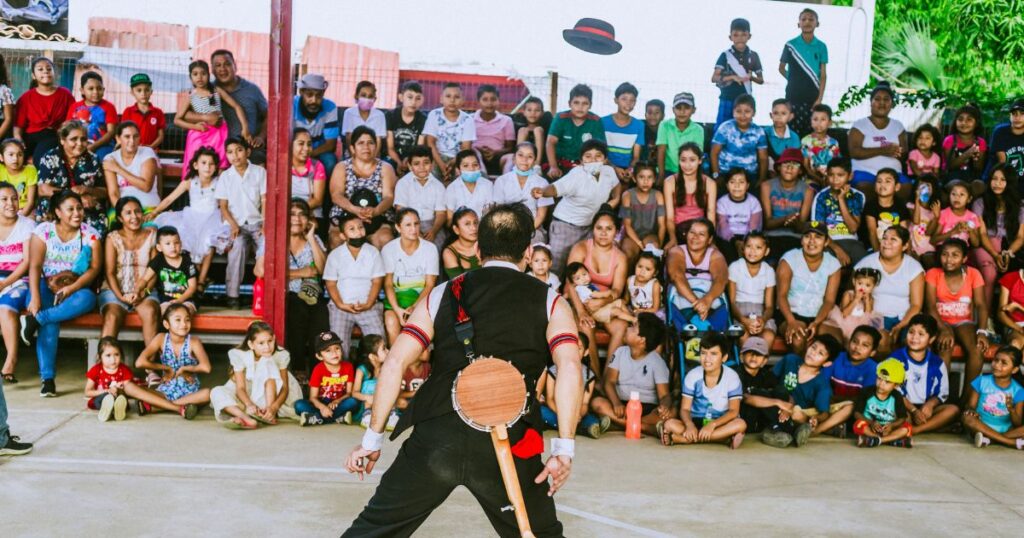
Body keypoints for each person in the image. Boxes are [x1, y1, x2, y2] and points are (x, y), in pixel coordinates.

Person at [343, 203, 584, 537]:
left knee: (373, 531)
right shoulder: (551, 301)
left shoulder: (442, 293)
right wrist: (564, 449)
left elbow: (396, 362)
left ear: (479, 249)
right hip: (510, 442)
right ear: (528, 252)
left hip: (437, 439)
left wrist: (372, 439)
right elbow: (570, 366)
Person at [22, 190, 102, 397]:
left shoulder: (91, 234)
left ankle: (35, 321)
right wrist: (36, 297)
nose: (77, 213)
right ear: (58, 212)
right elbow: (35, 265)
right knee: (51, 321)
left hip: (74, 287)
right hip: (44, 285)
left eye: (79, 208)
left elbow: (94, 269)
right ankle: (47, 379)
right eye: (70, 209)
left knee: (88, 298)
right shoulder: (44, 231)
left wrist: (72, 288)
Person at [533, 139, 621, 275]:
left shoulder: (609, 171)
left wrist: (614, 200)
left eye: (598, 156)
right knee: (557, 267)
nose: (593, 160)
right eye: (588, 156)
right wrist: (542, 192)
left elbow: (616, 186)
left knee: (580, 269)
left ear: (605, 159)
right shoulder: (576, 175)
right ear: (581, 161)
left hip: (590, 227)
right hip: (565, 226)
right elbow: (555, 188)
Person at [150, 147, 231, 290]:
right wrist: (155, 211)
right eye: (204, 163)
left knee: (209, 243)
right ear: (195, 165)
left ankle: (200, 281)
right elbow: (170, 199)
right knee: (186, 240)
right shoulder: (189, 182)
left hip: (212, 218)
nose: (207, 167)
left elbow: (226, 204)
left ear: (216, 167)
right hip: (191, 217)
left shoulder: (219, 182)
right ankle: (193, 279)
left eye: (212, 164)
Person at [659, 331, 747, 448]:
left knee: (740, 424)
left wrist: (713, 425)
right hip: (696, 421)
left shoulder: (732, 377)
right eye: (703, 353)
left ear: (724, 358)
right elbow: (685, 409)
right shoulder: (692, 375)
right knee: (670, 424)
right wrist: (690, 425)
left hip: (720, 422)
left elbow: (733, 411)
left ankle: (682, 439)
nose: (707, 359)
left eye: (713, 354)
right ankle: (722, 439)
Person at [565, 211, 630, 367]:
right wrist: (581, 312)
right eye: (599, 228)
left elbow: (617, 290)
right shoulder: (581, 248)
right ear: (592, 229)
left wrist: (602, 301)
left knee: (621, 327)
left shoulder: (620, 257)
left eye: (609, 228)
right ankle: (596, 377)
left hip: (605, 305)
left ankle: (609, 376)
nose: (603, 233)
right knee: (586, 326)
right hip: (580, 303)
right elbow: (569, 284)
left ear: (616, 231)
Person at [925, 239, 990, 392]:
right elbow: (930, 306)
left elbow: (981, 305)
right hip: (939, 321)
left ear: (964, 258)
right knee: (945, 345)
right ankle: (941, 397)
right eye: (945, 255)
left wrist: (982, 331)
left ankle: (967, 401)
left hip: (963, 322)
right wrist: (943, 328)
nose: (949, 260)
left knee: (976, 349)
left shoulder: (974, 274)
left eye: (955, 255)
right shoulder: (933, 274)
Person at [210, 321, 301, 429]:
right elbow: (240, 388)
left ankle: (268, 415)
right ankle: (246, 418)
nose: (267, 347)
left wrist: (273, 408)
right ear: (251, 344)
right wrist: (249, 404)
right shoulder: (240, 355)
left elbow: (285, 388)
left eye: (270, 341)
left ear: (274, 338)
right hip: (247, 395)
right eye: (261, 343)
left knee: (267, 361)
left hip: (273, 396)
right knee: (216, 391)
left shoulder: (281, 354)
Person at [591, 313, 669, 431]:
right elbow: (609, 382)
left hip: (646, 408)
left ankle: (622, 424)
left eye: (633, 327)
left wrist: (665, 406)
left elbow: (664, 395)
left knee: (668, 414)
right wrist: (616, 403)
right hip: (622, 405)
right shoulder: (620, 352)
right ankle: (645, 428)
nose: (627, 328)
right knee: (598, 403)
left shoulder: (657, 362)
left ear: (642, 340)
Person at [131, 303, 211, 419]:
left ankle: (157, 406)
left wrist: (185, 369)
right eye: (178, 320)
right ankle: (181, 407)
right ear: (166, 324)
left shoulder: (194, 341)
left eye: (187, 320)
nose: (183, 324)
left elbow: (206, 367)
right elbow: (140, 362)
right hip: (165, 390)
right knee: (130, 387)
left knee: (209, 393)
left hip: (189, 392)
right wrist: (166, 368)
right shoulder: (161, 339)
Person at [761, 334, 841, 448]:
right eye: (813, 347)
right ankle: (779, 432)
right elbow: (769, 380)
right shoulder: (790, 360)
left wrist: (815, 419)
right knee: (777, 392)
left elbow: (824, 413)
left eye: (820, 353)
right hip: (774, 405)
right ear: (808, 345)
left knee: (798, 415)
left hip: (792, 416)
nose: (813, 353)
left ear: (827, 363)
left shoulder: (822, 385)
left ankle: (784, 432)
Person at [855, 226, 926, 353]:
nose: (887, 243)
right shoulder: (866, 264)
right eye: (884, 238)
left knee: (913, 342)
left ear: (904, 246)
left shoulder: (913, 268)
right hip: (875, 317)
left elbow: (916, 305)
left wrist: (900, 325)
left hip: (905, 317)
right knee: (881, 340)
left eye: (893, 239)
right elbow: (854, 295)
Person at [99, 197, 159, 345]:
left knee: (151, 312)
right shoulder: (112, 238)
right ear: (120, 218)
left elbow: (154, 271)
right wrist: (120, 296)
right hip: (114, 290)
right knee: (112, 316)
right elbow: (110, 272)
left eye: (138, 211)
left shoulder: (151, 235)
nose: (134, 216)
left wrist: (143, 293)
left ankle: (151, 364)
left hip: (146, 290)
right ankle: (104, 364)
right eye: (128, 213)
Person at [174, 59, 251, 175]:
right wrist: (195, 126)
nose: (199, 77)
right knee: (197, 163)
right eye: (195, 74)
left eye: (203, 73)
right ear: (190, 77)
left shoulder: (216, 91)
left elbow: (236, 106)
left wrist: (245, 128)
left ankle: (219, 189)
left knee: (220, 164)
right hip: (199, 134)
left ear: (209, 75)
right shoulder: (190, 96)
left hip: (218, 134)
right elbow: (177, 120)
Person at [324, 212, 385, 357]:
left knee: (378, 341)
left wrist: (369, 303)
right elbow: (331, 284)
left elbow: (377, 281)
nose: (358, 232)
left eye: (360, 227)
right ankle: (344, 375)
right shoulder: (336, 255)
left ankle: (377, 374)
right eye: (352, 229)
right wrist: (340, 304)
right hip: (341, 307)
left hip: (367, 305)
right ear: (343, 236)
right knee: (338, 345)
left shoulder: (373, 253)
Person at [776, 222, 842, 355]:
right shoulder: (789, 259)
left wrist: (817, 323)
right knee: (798, 339)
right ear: (801, 240)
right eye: (807, 236)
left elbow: (829, 300)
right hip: (790, 313)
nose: (812, 241)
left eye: (818, 237)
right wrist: (791, 321)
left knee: (836, 339)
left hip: (818, 316)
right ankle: (798, 373)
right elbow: (781, 296)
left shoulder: (833, 264)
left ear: (826, 241)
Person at [280, 199, 329, 375]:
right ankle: (299, 369)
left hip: (313, 294)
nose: (297, 219)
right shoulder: (276, 238)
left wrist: (311, 239)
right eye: (292, 214)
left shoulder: (313, 239)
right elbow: (261, 270)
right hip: (288, 294)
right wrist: (302, 272)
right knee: (297, 312)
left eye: (302, 215)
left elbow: (323, 269)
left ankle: (318, 371)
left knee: (321, 316)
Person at [216, 137, 266, 309]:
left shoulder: (259, 172)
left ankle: (263, 296)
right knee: (236, 248)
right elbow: (223, 206)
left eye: (239, 150)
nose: (235, 155)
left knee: (266, 249)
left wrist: (265, 224)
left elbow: (265, 200)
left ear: (248, 152)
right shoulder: (225, 176)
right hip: (237, 226)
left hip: (258, 224)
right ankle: (232, 296)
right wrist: (233, 225)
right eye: (230, 152)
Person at [193, 50, 268, 164]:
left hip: (247, 151)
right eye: (218, 65)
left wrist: (261, 136)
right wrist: (205, 117)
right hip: (216, 150)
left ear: (235, 66)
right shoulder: (206, 91)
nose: (223, 68)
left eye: (227, 64)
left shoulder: (252, 89)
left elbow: (269, 115)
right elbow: (186, 115)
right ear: (212, 70)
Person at [891, 314, 960, 434]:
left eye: (921, 334)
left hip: (925, 410)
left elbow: (942, 393)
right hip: (905, 407)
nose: (914, 338)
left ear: (931, 339)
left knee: (953, 410)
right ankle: (933, 427)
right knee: (899, 416)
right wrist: (913, 410)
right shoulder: (896, 359)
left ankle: (916, 430)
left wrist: (930, 404)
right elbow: (893, 391)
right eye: (911, 332)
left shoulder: (937, 363)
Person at [329, 126, 396, 249]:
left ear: (376, 147)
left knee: (385, 239)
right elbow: (336, 195)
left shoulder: (386, 167)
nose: (366, 147)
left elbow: (389, 197)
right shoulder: (342, 167)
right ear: (352, 148)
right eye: (361, 143)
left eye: (370, 143)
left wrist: (375, 211)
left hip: (378, 216)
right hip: (346, 215)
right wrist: (355, 210)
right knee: (337, 239)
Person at [36, 120, 108, 235]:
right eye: (74, 139)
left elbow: (104, 191)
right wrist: (76, 198)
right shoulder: (50, 157)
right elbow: (43, 189)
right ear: (62, 140)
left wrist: (87, 190)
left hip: (86, 211)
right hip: (57, 209)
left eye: (83, 139)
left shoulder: (93, 160)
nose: (80, 143)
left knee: (95, 230)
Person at [381, 208, 439, 344]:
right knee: (391, 322)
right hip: (396, 300)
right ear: (397, 227)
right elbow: (388, 284)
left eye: (416, 224)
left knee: (422, 355)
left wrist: (414, 307)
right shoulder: (389, 249)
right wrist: (397, 309)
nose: (413, 229)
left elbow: (430, 284)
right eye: (408, 225)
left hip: (421, 300)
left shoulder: (430, 249)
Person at [667, 218, 731, 334]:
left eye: (701, 234)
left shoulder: (715, 255)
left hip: (710, 297)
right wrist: (698, 303)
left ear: (709, 239)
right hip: (683, 297)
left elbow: (721, 279)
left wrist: (707, 300)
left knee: (718, 318)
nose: (695, 237)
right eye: (692, 232)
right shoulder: (677, 251)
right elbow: (676, 276)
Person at [971, 164, 1023, 306]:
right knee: (990, 274)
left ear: (1010, 183)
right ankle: (986, 319)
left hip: (1009, 246)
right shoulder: (980, 203)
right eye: (994, 179)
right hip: (985, 246)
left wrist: (1007, 254)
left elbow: (1020, 237)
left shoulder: (1019, 206)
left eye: (1002, 180)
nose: (997, 183)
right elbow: (982, 234)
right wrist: (995, 255)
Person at [539, 335, 607, 439]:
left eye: (579, 348)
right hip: (556, 410)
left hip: (577, 412)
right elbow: (550, 399)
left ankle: (589, 423)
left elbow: (584, 403)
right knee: (542, 412)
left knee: (587, 417)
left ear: (586, 352)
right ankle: (584, 428)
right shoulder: (553, 371)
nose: (574, 352)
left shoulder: (589, 375)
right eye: (571, 348)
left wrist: (578, 415)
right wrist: (565, 415)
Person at [0, 182, 35, 383]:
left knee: (5, 307)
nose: (11, 204)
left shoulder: (27, 225)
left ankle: (11, 360)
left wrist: (4, 284)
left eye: (14, 198)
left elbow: (27, 261)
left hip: (19, 279)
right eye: (4, 199)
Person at [848, 82, 909, 192]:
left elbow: (904, 154)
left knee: (906, 187)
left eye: (886, 99)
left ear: (891, 104)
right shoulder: (859, 125)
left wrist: (897, 152)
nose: (882, 103)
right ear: (871, 103)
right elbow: (854, 152)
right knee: (864, 187)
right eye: (877, 99)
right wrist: (882, 150)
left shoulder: (898, 126)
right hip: (865, 172)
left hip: (893, 173)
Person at [14, 57, 75, 164]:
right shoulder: (26, 98)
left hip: (54, 135)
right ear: (33, 75)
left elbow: (71, 122)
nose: (45, 71)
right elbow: (18, 126)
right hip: (30, 136)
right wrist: (18, 141)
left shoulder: (65, 95)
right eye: (40, 69)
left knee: (41, 157)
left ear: (54, 72)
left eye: (48, 68)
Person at [962, 345, 1024, 449]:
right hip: (981, 427)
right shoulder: (981, 381)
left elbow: (1017, 423)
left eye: (1003, 363)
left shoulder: (1019, 390)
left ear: (1014, 369)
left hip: (1007, 430)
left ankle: (990, 440)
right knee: (967, 418)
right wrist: (971, 410)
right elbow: (970, 405)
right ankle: (1011, 443)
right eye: (996, 360)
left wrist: (1011, 410)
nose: (997, 365)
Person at [779, 8, 828, 137]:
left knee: (811, 132)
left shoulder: (821, 46)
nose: (807, 22)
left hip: (813, 97)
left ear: (817, 24)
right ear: (798, 23)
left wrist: (819, 98)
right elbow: (781, 68)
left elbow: (823, 75)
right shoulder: (790, 45)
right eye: (804, 19)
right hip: (792, 95)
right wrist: (794, 79)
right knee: (791, 130)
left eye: (811, 19)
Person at [493, 142, 553, 244]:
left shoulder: (542, 183)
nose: (524, 160)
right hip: (506, 227)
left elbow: (540, 216)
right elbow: (499, 211)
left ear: (534, 161)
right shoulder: (502, 181)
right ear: (513, 158)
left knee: (536, 240)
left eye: (530, 156)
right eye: (520, 155)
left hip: (533, 229)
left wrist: (525, 232)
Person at [295, 331, 360, 426]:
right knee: (299, 405)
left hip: (338, 403)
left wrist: (337, 401)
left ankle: (317, 418)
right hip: (321, 403)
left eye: (337, 348)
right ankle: (338, 417)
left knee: (353, 402)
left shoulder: (348, 367)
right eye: (328, 351)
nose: (334, 353)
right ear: (319, 356)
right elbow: (313, 397)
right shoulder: (318, 369)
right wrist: (322, 408)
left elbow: (349, 393)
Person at [811, 157, 866, 265]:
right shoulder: (821, 197)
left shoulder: (857, 196)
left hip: (852, 242)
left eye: (840, 175)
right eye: (831, 175)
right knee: (825, 263)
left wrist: (841, 199)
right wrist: (837, 249)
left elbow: (853, 228)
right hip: (828, 242)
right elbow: (819, 229)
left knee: (864, 265)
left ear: (850, 176)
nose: (835, 179)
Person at [545, 84, 605, 179]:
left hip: (585, 166)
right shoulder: (560, 118)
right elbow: (550, 142)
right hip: (560, 164)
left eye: (585, 103)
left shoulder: (596, 121)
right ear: (569, 103)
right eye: (576, 103)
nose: (580, 107)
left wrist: (588, 165)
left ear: (590, 105)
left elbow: (600, 148)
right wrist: (553, 166)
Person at [727, 231, 776, 350]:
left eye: (758, 247)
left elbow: (769, 306)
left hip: (761, 312)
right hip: (739, 311)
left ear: (766, 251)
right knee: (744, 336)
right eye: (749, 246)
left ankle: (760, 366)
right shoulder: (735, 267)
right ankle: (745, 366)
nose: (753, 251)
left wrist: (763, 320)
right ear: (743, 248)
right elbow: (731, 302)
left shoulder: (769, 271)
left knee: (768, 336)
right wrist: (744, 321)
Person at [711, 18, 763, 128]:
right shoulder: (725, 55)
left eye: (743, 34)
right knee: (722, 129)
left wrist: (750, 77)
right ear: (730, 37)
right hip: (727, 99)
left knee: (744, 130)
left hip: (745, 101)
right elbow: (714, 77)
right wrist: (733, 77)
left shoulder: (753, 55)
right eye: (736, 35)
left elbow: (761, 80)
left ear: (749, 36)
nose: (740, 38)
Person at [761, 147, 812, 257]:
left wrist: (794, 222)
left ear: (801, 170)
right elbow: (767, 223)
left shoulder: (807, 190)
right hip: (771, 236)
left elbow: (801, 227)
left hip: (795, 238)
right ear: (779, 167)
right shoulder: (767, 186)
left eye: (795, 164)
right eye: (785, 163)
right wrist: (786, 218)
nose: (789, 167)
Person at [393, 144, 447, 248]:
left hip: (431, 224)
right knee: (406, 246)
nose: (422, 167)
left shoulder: (438, 186)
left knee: (438, 246)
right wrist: (414, 229)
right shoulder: (403, 183)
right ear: (409, 166)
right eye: (416, 164)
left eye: (426, 163)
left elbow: (441, 214)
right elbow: (400, 211)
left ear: (432, 164)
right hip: (408, 223)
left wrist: (434, 231)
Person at [664, 143, 717, 247]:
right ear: (679, 161)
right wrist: (672, 238)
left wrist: (711, 240)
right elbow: (670, 217)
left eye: (692, 160)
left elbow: (711, 215)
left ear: (700, 161)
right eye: (683, 160)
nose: (687, 165)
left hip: (700, 231)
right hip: (679, 230)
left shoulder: (709, 183)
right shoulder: (670, 182)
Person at [103, 121, 161, 214]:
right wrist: (123, 213)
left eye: (136, 136)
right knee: (114, 227)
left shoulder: (147, 152)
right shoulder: (110, 158)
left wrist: (118, 169)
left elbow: (146, 187)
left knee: (149, 228)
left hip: (149, 207)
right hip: (123, 210)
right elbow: (113, 193)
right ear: (118, 139)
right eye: (127, 137)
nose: (132, 141)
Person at [853, 357, 913, 448]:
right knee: (858, 425)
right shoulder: (866, 392)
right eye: (879, 379)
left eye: (887, 382)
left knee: (907, 428)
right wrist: (871, 423)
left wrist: (892, 426)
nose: (881, 384)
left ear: (896, 385)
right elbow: (857, 413)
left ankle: (875, 440)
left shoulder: (897, 396)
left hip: (888, 429)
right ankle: (890, 441)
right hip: (870, 427)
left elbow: (902, 418)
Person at [735, 336, 789, 436]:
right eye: (750, 353)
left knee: (780, 391)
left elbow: (787, 395)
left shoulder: (766, 374)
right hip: (744, 419)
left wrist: (786, 409)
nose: (754, 357)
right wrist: (777, 402)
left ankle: (782, 427)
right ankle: (779, 429)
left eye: (759, 355)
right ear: (741, 357)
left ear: (764, 361)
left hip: (762, 419)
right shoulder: (736, 374)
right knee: (757, 393)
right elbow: (746, 398)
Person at [136, 226, 198, 313]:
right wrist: (136, 291)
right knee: (164, 312)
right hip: (165, 300)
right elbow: (145, 279)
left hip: (187, 299)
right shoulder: (158, 260)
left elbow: (192, 287)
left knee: (184, 312)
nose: (173, 247)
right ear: (159, 247)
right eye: (168, 244)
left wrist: (179, 301)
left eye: (176, 243)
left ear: (181, 244)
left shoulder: (187, 262)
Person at [710, 94, 768, 183]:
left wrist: (762, 179)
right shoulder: (725, 128)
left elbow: (763, 158)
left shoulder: (759, 132)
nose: (743, 115)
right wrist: (716, 175)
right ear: (733, 112)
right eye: (738, 111)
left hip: (750, 175)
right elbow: (714, 153)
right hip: (725, 174)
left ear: (754, 113)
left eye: (747, 111)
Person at [423, 83, 475, 180]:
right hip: (437, 156)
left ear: (463, 100)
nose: (452, 100)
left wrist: (453, 163)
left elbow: (466, 148)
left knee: (465, 176)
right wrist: (442, 166)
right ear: (441, 99)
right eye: (448, 96)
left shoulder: (468, 120)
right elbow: (430, 143)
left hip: (458, 157)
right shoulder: (434, 115)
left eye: (457, 97)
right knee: (431, 175)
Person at [293, 73, 339, 178]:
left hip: (320, 150)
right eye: (309, 95)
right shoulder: (291, 105)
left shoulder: (330, 107)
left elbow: (331, 145)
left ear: (323, 93)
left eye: (318, 96)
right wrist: (299, 154)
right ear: (301, 92)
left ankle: (325, 194)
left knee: (330, 161)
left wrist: (308, 154)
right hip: (295, 151)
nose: (314, 100)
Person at [822, 267, 885, 344]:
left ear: (873, 287)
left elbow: (868, 316)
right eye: (860, 283)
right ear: (854, 281)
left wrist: (867, 301)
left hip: (861, 326)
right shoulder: (848, 294)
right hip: (845, 323)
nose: (863, 287)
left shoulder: (871, 299)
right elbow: (844, 314)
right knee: (843, 340)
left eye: (867, 285)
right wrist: (856, 300)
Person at [66, 71, 118, 161]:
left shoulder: (109, 107)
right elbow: (67, 129)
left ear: (103, 89)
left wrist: (93, 146)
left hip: (102, 145)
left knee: (103, 160)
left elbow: (111, 132)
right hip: (78, 144)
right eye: (91, 88)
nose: (96, 92)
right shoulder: (75, 107)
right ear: (82, 90)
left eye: (99, 88)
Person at [619, 163, 665, 263]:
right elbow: (627, 225)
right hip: (631, 235)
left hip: (650, 234)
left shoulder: (658, 195)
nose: (645, 181)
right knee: (628, 253)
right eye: (641, 177)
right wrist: (639, 243)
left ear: (654, 179)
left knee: (652, 251)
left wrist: (659, 246)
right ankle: (628, 277)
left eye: (649, 177)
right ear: (634, 179)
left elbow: (662, 225)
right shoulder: (627, 195)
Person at [83, 337, 136, 422]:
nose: (113, 359)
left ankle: (117, 409)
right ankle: (108, 409)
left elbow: (129, 391)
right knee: (104, 399)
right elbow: (87, 392)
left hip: (119, 398)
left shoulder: (124, 370)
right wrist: (106, 391)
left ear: (121, 355)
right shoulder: (96, 370)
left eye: (116, 354)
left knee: (121, 399)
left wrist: (119, 390)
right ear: (100, 356)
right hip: (102, 398)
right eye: (108, 355)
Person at [601, 82, 644, 182]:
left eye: (632, 100)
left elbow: (636, 156)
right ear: (616, 100)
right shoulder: (603, 122)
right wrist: (614, 169)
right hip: (606, 167)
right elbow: (600, 152)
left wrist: (630, 169)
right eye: (624, 99)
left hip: (626, 170)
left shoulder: (639, 125)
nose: (628, 103)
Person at [656, 92, 704, 182]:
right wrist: (661, 175)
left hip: (689, 171)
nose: (682, 112)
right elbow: (661, 151)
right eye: (678, 108)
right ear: (673, 109)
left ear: (694, 110)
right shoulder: (665, 125)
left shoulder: (698, 129)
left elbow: (697, 155)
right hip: (667, 171)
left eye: (687, 108)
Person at [716, 168, 762, 262]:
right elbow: (722, 226)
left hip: (748, 236)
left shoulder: (754, 202)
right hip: (728, 238)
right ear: (727, 185)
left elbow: (754, 226)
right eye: (732, 182)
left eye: (741, 182)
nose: (737, 186)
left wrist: (745, 241)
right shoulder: (722, 202)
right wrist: (735, 241)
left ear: (747, 185)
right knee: (727, 252)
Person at [472, 85, 515, 175]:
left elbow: (510, 147)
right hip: (475, 157)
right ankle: (482, 174)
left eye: (493, 99)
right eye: (485, 99)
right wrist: (479, 150)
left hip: (499, 157)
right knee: (473, 151)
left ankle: (506, 180)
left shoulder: (506, 120)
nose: (489, 103)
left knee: (511, 157)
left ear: (498, 100)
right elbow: (465, 143)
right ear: (478, 102)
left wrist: (495, 153)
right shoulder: (469, 119)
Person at [863, 168, 909, 253]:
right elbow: (872, 233)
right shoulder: (870, 205)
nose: (882, 185)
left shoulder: (901, 205)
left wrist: (907, 254)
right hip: (874, 248)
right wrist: (878, 254)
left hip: (895, 248)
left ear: (897, 187)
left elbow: (904, 232)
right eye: (879, 181)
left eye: (887, 181)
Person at [386, 81, 426, 176]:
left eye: (418, 98)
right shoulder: (391, 116)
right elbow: (390, 147)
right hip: (392, 156)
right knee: (388, 167)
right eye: (410, 97)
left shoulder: (423, 119)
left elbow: (419, 146)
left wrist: (408, 158)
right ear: (401, 97)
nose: (413, 102)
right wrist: (399, 162)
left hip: (413, 156)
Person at [932, 180, 986, 249]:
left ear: (969, 199)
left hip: (961, 252)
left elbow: (976, 244)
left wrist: (971, 230)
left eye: (962, 194)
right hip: (944, 249)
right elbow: (933, 240)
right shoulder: (944, 214)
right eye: (953, 194)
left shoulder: (972, 217)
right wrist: (953, 231)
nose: (957, 197)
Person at [504, 96, 551, 173]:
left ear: (542, 113)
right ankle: (518, 162)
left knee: (538, 130)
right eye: (529, 110)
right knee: (523, 130)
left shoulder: (543, 128)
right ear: (524, 112)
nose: (533, 113)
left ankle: (537, 166)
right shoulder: (520, 128)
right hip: (525, 156)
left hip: (539, 158)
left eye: (537, 110)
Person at [289, 128, 328, 222]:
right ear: (290, 145)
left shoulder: (317, 166)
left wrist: (298, 212)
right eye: (301, 144)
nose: (306, 148)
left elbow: (317, 200)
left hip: (310, 213)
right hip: (286, 212)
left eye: (309, 144)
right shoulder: (283, 165)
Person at [943, 103, 986, 186]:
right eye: (960, 119)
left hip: (972, 179)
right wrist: (968, 153)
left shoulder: (980, 142)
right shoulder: (949, 140)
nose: (964, 123)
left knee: (979, 185)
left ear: (976, 123)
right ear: (955, 121)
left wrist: (976, 157)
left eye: (969, 120)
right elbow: (950, 166)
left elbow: (978, 168)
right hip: (952, 179)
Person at [444, 150, 494, 221]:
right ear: (458, 170)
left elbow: (490, 212)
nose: (471, 169)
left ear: (480, 167)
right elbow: (450, 218)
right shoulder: (452, 189)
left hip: (484, 226)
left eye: (475, 165)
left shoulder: (488, 185)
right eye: (466, 166)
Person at [121, 73, 165, 149]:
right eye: (139, 90)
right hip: (132, 150)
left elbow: (161, 135)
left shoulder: (158, 112)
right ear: (132, 92)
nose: (143, 93)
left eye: (147, 90)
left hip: (151, 151)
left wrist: (151, 147)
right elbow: (124, 133)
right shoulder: (128, 112)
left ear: (151, 91)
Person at [351, 334, 387, 428]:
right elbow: (354, 393)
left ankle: (391, 416)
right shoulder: (362, 370)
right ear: (372, 356)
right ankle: (367, 416)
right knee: (370, 389)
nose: (388, 351)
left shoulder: (386, 368)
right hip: (367, 403)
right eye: (384, 349)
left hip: (383, 402)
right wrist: (368, 397)